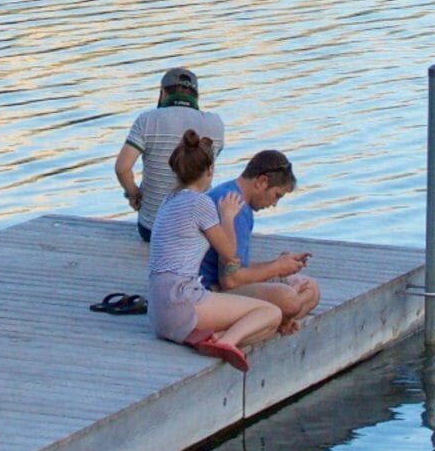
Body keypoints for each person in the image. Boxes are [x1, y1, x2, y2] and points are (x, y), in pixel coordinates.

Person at [144, 131, 284, 370]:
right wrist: (227, 216)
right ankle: (225, 342)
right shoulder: (201, 203)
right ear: (210, 170)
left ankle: (212, 337)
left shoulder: (169, 200)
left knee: (258, 321)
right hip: (181, 301)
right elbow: (230, 255)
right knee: (270, 314)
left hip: (157, 311)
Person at [197, 148, 317, 332]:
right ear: (262, 181)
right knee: (289, 300)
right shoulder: (235, 207)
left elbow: (236, 266)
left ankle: (275, 320)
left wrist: (279, 263)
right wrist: (277, 268)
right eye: (277, 195)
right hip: (208, 292)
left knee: (310, 288)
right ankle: (272, 320)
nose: (274, 204)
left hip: (222, 283)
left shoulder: (230, 193)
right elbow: (230, 281)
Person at [113, 67, 224, 237]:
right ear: (196, 97)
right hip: (199, 231)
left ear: (162, 93)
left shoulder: (147, 120)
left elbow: (122, 168)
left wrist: (134, 194)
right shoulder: (215, 123)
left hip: (152, 229)